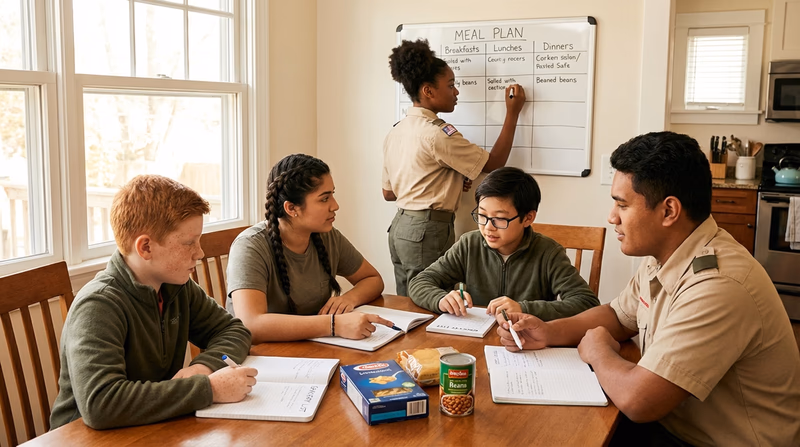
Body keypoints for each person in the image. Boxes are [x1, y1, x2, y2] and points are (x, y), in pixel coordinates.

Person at [496, 132, 800, 446]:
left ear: (669, 211)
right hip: (674, 425)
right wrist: (547, 331)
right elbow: (617, 315)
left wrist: (598, 351)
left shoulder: (718, 285)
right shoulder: (668, 254)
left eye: (622, 205)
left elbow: (639, 401)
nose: (612, 217)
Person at [50, 175, 256, 430]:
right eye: (189, 242)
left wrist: (204, 366)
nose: (199, 253)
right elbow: (101, 404)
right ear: (146, 247)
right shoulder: (98, 306)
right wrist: (208, 388)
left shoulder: (176, 287)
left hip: (150, 427)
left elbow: (232, 330)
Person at [383, 38, 527, 296]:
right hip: (427, 231)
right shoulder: (437, 135)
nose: (456, 91)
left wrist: (446, 179)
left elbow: (389, 193)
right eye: (450, 85)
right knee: (431, 299)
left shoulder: (397, 131)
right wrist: (512, 113)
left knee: (407, 301)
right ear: (428, 91)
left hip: (400, 228)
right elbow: (494, 163)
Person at [227, 154, 391, 344]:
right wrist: (333, 325)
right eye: (324, 199)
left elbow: (372, 279)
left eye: (332, 194)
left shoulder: (327, 236)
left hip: (311, 347)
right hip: (258, 357)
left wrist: (348, 299)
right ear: (291, 208)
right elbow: (251, 324)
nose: (335, 206)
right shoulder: (250, 246)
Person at [409, 167, 599, 318]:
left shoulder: (548, 253)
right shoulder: (469, 244)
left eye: (500, 219)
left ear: (527, 218)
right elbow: (419, 282)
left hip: (526, 343)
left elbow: (586, 302)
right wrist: (440, 298)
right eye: (482, 215)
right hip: (478, 339)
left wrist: (524, 308)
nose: (488, 228)